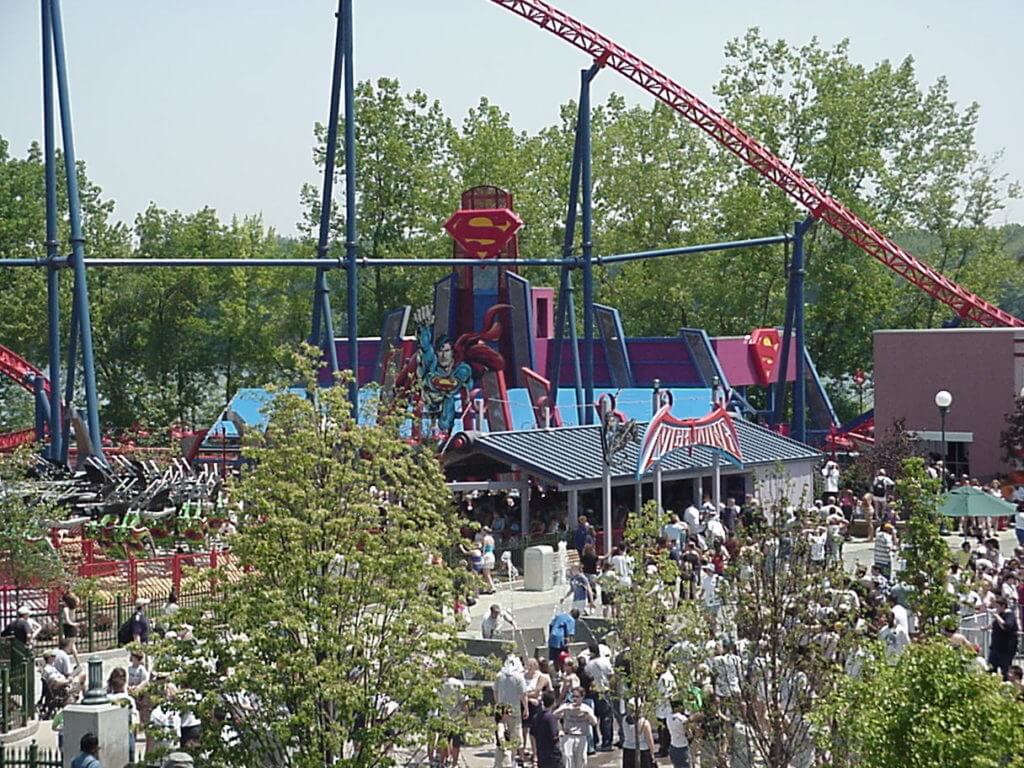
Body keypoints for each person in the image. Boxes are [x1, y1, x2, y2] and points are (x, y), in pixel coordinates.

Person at [494, 655, 529, 764]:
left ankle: (502, 760)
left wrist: (498, 705)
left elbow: (495, 692)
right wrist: (526, 708)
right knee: (515, 737)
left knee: (501, 736)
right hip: (514, 712)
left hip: (501, 712)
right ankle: (511, 760)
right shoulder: (519, 677)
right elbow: (523, 695)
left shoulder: (499, 676)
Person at [554, 686, 598, 768]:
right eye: (573, 696)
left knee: (581, 760)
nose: (575, 699)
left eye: (577, 697)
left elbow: (594, 723)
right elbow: (554, 715)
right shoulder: (566, 706)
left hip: (581, 737)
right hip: (568, 736)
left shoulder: (586, 708)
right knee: (567, 758)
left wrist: (587, 715)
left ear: (582, 697)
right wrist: (563, 709)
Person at [584, 645, 614, 751]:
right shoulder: (605, 661)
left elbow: (587, 677)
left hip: (594, 692)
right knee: (606, 717)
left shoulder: (589, 665)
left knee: (594, 717)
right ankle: (607, 742)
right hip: (605, 691)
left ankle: (595, 740)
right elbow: (611, 675)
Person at [988, 595, 1018, 680]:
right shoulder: (1000, 615)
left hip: (1005, 649)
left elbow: (1006, 627)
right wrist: (986, 627)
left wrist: (997, 616)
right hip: (995, 647)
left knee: (1005, 672)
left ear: (1003, 606)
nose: (996, 608)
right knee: (990, 669)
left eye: (997, 606)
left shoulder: (1009, 615)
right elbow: (995, 625)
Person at [620, 701, 656, 768]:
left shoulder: (624, 719)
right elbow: (649, 740)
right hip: (642, 750)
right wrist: (652, 753)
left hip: (627, 749)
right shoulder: (644, 722)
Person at [532, 691, 563, 768]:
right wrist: (560, 732)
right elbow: (554, 735)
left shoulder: (536, 717)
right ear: (553, 702)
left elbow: (532, 734)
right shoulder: (551, 717)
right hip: (552, 755)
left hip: (541, 754)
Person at [665, 701, 690, 768]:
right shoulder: (682, 719)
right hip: (683, 746)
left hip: (673, 745)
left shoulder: (668, 717)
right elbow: (688, 732)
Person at [60, 593, 81, 666]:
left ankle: (62, 662)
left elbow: (67, 620)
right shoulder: (73, 608)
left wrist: (72, 624)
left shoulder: (66, 609)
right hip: (70, 628)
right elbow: (77, 600)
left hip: (69, 628)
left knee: (67, 648)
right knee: (73, 647)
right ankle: (78, 663)